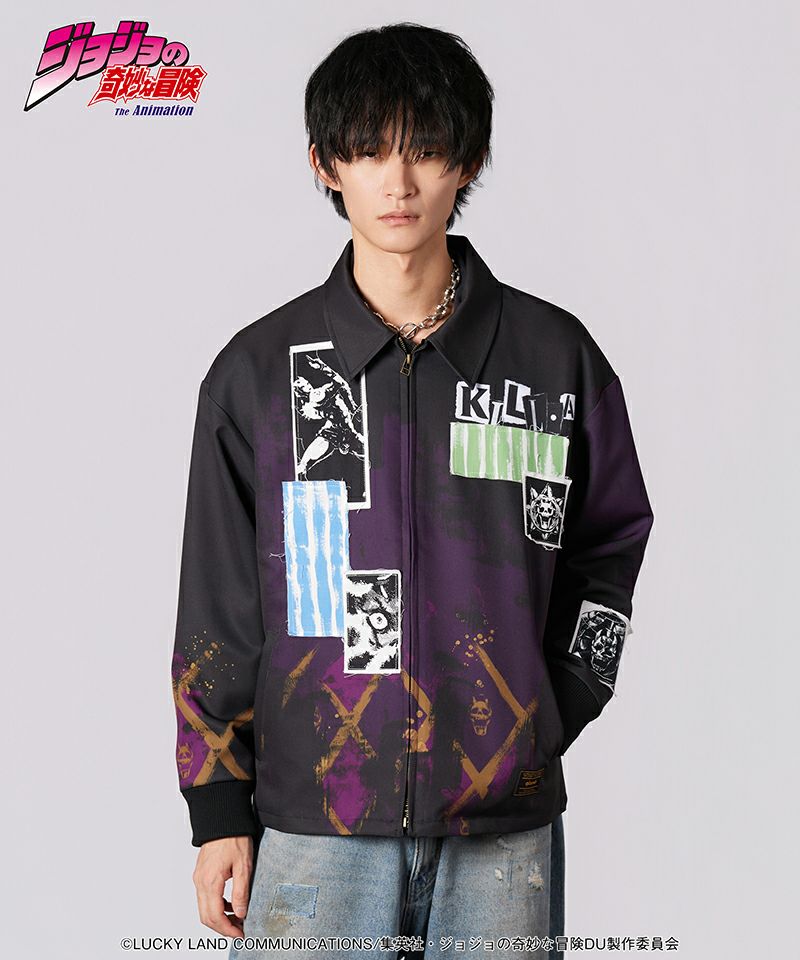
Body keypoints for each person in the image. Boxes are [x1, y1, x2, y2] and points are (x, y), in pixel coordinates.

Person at [170, 22, 654, 960]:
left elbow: (611, 544)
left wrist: (548, 708)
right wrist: (217, 804)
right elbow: (216, 608)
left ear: (467, 161)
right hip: (313, 825)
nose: (397, 182)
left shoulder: (552, 361)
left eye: (425, 149)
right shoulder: (261, 374)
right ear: (325, 163)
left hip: (502, 831)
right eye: (367, 150)